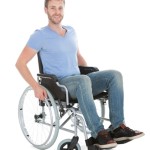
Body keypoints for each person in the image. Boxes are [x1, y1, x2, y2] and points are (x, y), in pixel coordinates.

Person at [15, 0, 144, 149]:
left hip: (81, 80)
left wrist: (94, 75)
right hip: (61, 85)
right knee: (83, 80)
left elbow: (78, 57)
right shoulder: (40, 35)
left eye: (60, 8)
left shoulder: (71, 31)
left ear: (64, 9)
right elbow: (20, 63)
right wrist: (35, 86)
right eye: (52, 8)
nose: (57, 12)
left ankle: (118, 127)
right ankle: (98, 133)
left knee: (114, 75)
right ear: (45, 10)